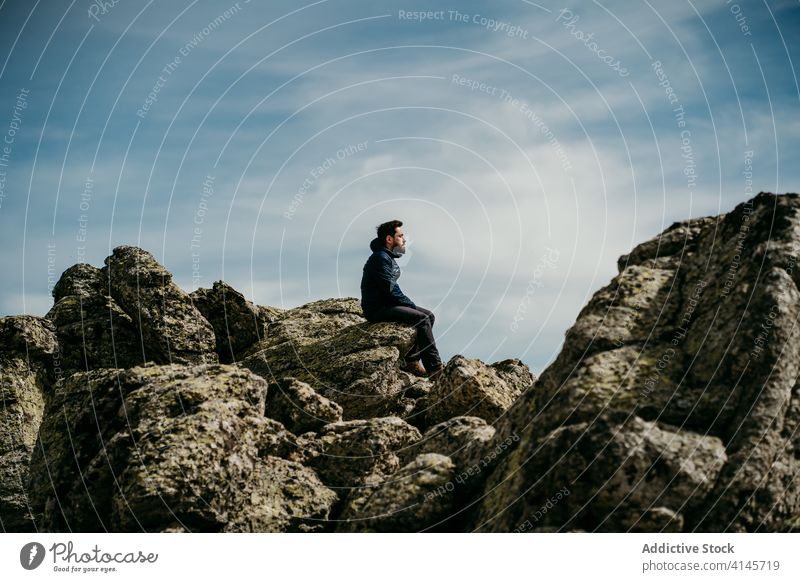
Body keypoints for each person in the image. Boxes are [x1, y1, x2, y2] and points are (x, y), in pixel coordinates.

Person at [360, 219, 445, 381]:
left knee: (429, 315)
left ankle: (411, 360)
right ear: (389, 239)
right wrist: (411, 306)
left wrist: (410, 306)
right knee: (422, 318)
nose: (404, 240)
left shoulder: (386, 257)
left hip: (387, 303)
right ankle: (435, 369)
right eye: (400, 236)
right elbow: (390, 289)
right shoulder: (380, 258)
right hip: (377, 308)